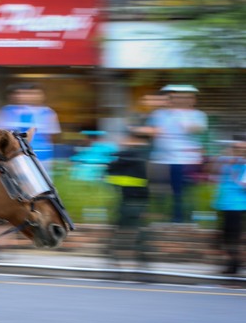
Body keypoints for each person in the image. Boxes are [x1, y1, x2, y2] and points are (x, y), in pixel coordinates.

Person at [147, 84, 208, 223]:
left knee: (182, 192)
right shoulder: (159, 114)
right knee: (161, 191)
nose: (180, 100)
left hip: (186, 160)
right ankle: (162, 216)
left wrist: (182, 114)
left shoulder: (198, 115)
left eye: (185, 98)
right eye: (176, 97)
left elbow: (194, 129)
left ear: (192, 100)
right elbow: (153, 131)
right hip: (162, 159)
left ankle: (182, 219)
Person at [105, 128, 151, 266]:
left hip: (127, 201)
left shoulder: (124, 158)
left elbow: (111, 175)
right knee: (139, 232)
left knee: (121, 231)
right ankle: (142, 260)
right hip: (140, 201)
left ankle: (113, 257)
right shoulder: (146, 157)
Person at [0, 83, 61, 174]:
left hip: (41, 157)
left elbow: (51, 137)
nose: (25, 96)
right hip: (15, 157)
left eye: (33, 93)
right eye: (21, 93)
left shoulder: (47, 112)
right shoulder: (7, 111)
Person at [211, 139, 246, 276]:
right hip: (222, 204)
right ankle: (232, 263)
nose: (237, 152)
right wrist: (220, 160)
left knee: (232, 237)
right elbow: (212, 170)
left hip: (237, 205)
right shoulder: (225, 160)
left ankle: (234, 266)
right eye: (235, 149)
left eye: (241, 150)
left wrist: (237, 172)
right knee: (224, 236)